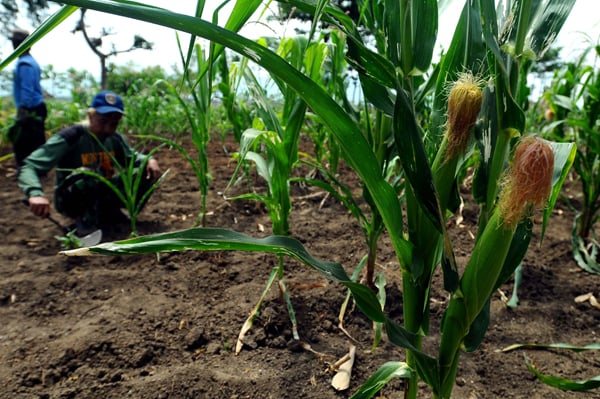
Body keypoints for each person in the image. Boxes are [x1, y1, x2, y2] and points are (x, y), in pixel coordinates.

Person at [18, 90, 162, 235]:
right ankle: (85, 221)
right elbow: (29, 166)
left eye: (113, 124)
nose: (107, 129)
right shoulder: (72, 136)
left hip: (102, 193)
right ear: (91, 116)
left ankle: (111, 213)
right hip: (70, 199)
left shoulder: (114, 138)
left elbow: (132, 158)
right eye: (103, 121)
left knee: (144, 171)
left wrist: (148, 159)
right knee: (88, 174)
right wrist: (35, 193)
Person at [8, 28, 47, 168]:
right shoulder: (30, 61)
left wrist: (23, 109)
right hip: (35, 108)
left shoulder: (25, 64)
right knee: (35, 141)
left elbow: (27, 89)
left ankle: (29, 170)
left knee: (24, 143)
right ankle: (36, 168)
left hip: (31, 109)